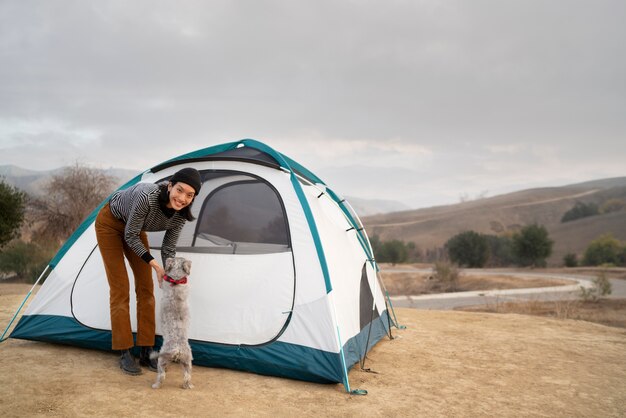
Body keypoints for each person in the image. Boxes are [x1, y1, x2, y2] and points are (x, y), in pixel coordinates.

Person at [95, 167, 202, 375]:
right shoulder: (147, 197)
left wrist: (171, 274)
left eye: (189, 195)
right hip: (110, 224)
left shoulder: (180, 216)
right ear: (170, 185)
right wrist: (155, 265)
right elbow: (131, 236)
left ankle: (146, 349)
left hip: (134, 228)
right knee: (120, 288)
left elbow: (168, 248)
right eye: (179, 190)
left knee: (146, 288)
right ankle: (125, 351)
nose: (182, 198)